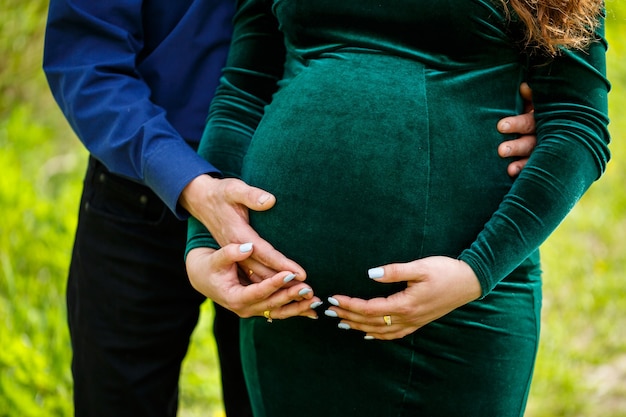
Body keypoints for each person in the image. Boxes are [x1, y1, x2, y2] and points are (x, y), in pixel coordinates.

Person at [42, 0, 535, 416]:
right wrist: (191, 185)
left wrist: (499, 89)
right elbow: (85, 60)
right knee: (119, 397)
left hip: (283, 228)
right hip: (145, 188)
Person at [185, 1, 610, 416]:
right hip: (287, 304)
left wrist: (474, 273)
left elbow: (577, 122)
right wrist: (206, 241)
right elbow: (243, 90)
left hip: (458, 306)